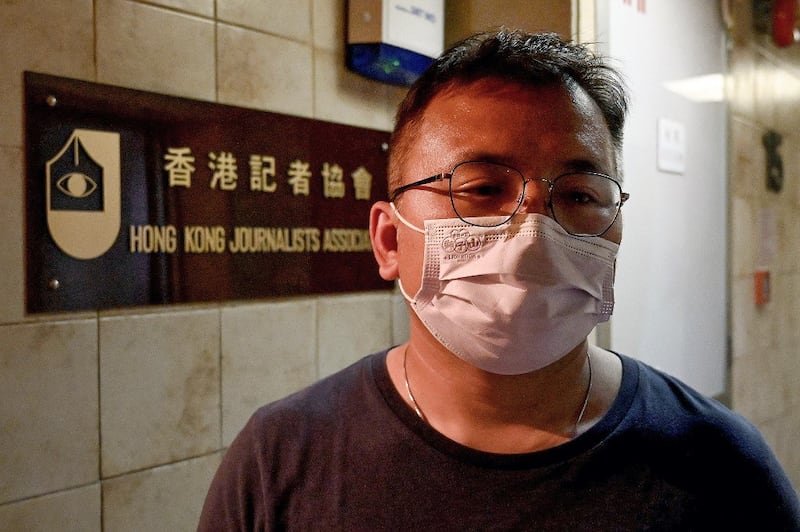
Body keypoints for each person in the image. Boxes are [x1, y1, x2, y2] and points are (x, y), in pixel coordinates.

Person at [198, 30, 800, 530]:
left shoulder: (723, 468)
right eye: (482, 188)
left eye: (579, 194)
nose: (533, 231)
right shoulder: (281, 463)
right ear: (388, 240)